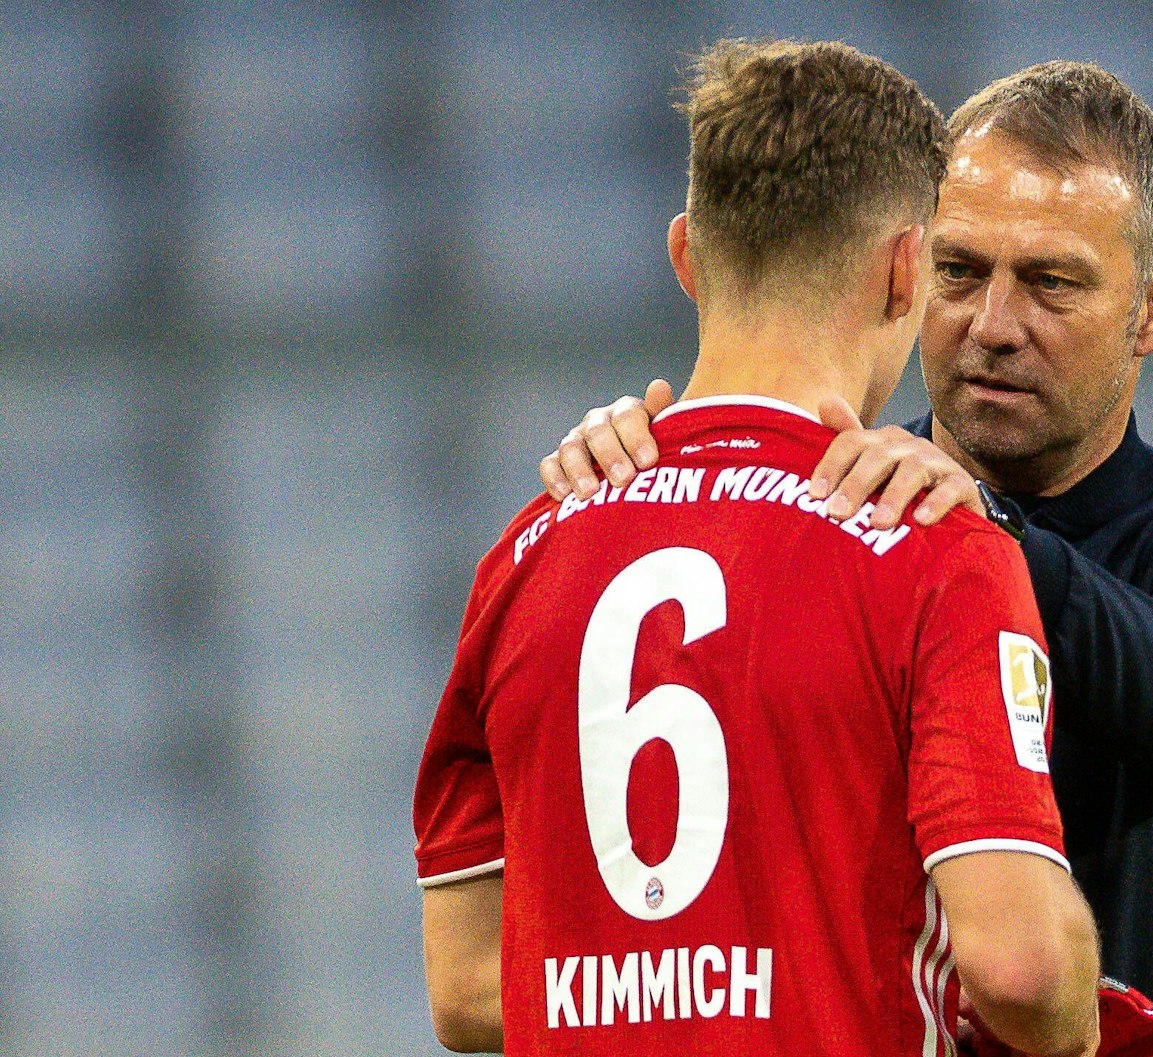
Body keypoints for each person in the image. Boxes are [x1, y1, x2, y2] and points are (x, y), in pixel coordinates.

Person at [540, 62, 1153, 1057]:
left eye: (1050, 283)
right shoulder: (816, 519)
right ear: (909, 269)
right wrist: (643, 495)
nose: (993, 327)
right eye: (959, 271)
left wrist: (982, 538)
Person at [414, 41, 1105, 1057]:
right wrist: (1081, 1007)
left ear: (687, 256)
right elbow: (1020, 971)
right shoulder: (929, 546)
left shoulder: (528, 553)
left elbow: (470, 987)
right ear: (904, 269)